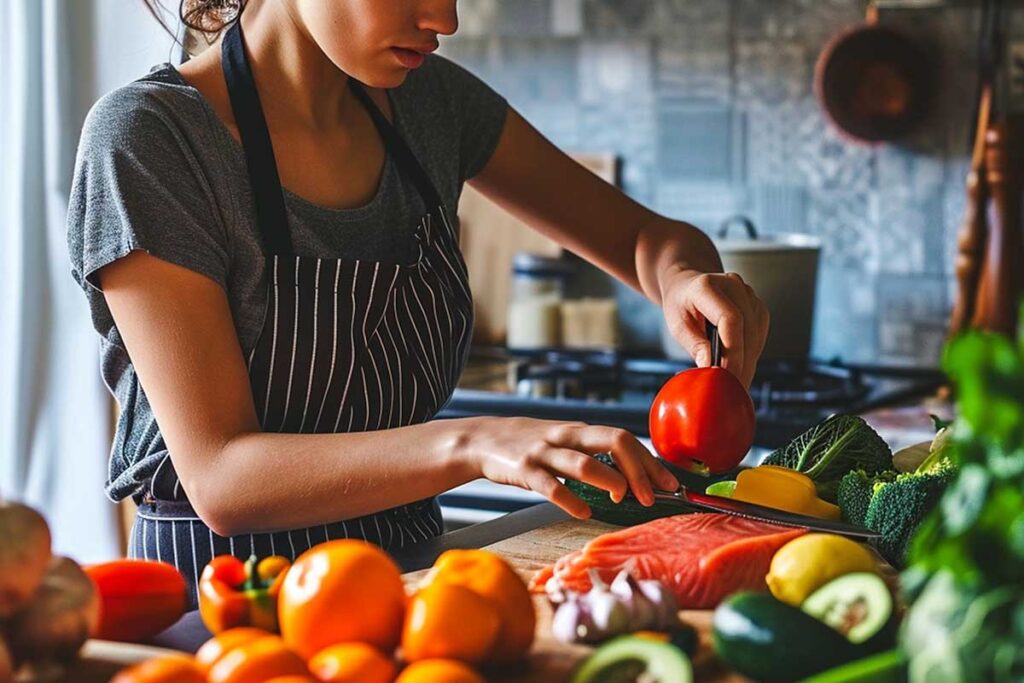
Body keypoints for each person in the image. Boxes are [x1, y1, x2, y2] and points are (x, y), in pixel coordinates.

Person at [67, 0, 769, 604]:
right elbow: (223, 476)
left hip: (414, 592)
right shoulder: (150, 139)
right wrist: (475, 440)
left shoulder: (431, 108)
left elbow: (648, 236)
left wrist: (681, 276)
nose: (447, 19)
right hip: (223, 612)